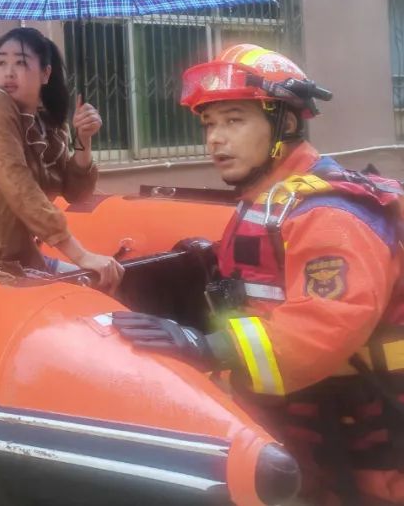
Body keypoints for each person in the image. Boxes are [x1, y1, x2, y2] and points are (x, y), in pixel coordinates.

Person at [113, 45, 403, 505]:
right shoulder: (271, 201)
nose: (215, 139)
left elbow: (324, 325)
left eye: (234, 120)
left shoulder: (329, 214)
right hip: (309, 434)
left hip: (363, 458)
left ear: (284, 125)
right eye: (209, 124)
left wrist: (209, 347)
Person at [0, 27, 123, 287]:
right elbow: (18, 184)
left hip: (22, 258)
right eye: (1, 62)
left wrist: (84, 138)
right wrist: (80, 255)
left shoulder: (50, 125)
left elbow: (76, 194)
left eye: (21, 63)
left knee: (101, 286)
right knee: (83, 290)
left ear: (45, 73)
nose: (8, 72)